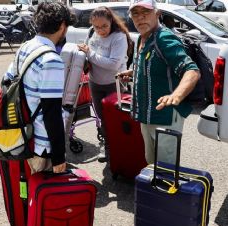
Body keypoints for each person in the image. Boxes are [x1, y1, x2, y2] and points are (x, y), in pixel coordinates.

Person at [117, 0, 200, 164]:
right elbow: (152, 65)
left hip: (166, 116)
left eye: (145, 12)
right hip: (147, 115)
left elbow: (192, 70)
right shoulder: (142, 38)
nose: (140, 18)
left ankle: (165, 190)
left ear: (157, 14)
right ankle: (153, 189)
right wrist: (133, 72)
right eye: (135, 14)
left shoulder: (164, 38)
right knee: (151, 162)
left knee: (166, 167)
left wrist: (176, 94)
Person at [2, 2, 76, 174]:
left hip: (22, 133)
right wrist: (59, 156)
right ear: (63, 26)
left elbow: (6, 81)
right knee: (42, 194)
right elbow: (52, 112)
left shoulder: (25, 46)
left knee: (27, 188)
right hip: (41, 143)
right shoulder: (51, 60)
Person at [77, 6, 132, 163]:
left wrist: (90, 54)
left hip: (114, 84)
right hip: (95, 83)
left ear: (111, 22)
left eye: (104, 26)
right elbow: (88, 54)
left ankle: (118, 147)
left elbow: (113, 65)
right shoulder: (92, 33)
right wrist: (83, 58)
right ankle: (108, 146)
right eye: (97, 27)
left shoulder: (118, 37)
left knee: (115, 118)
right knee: (102, 118)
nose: (100, 30)